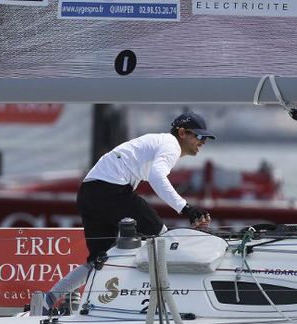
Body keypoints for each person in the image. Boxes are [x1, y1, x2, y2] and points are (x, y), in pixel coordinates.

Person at [44, 110, 215, 310]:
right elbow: (157, 177)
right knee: (161, 239)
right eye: (200, 136)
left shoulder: (158, 142)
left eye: (206, 138)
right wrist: (186, 208)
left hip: (88, 192)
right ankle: (170, 304)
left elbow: (152, 176)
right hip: (111, 191)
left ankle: (46, 302)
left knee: (100, 261)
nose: (203, 142)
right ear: (182, 133)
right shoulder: (171, 145)